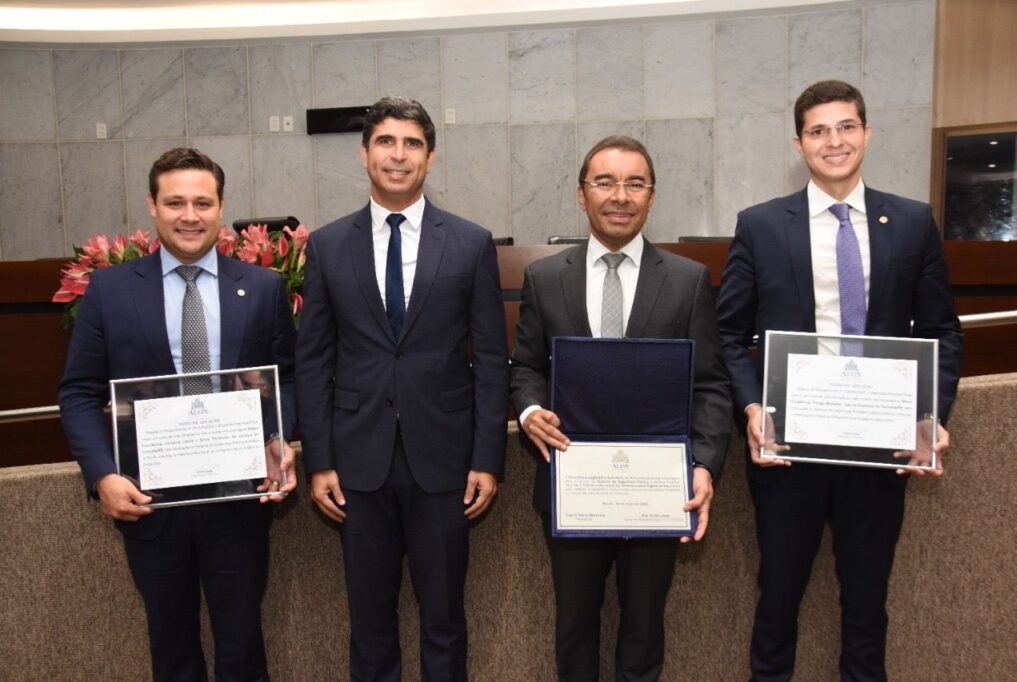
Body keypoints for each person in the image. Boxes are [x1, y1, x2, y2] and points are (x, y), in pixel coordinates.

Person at [716, 80, 964, 681]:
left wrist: (929, 415)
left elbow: (941, 331)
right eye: (819, 130)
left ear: (867, 133)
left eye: (846, 126)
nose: (834, 141)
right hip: (788, 449)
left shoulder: (911, 222)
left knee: (867, 605)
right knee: (777, 600)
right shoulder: (761, 226)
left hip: (881, 446)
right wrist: (751, 409)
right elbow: (727, 335)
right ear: (799, 144)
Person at [58, 147, 297, 681]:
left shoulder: (262, 288)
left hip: (237, 498)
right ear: (152, 205)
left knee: (243, 648)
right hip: (151, 503)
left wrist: (276, 437)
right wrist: (102, 476)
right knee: (171, 651)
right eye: (175, 203)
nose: (190, 216)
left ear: (221, 207)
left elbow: (288, 376)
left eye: (202, 203)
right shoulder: (111, 291)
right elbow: (77, 392)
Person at [294, 96, 509, 681]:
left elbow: (492, 360)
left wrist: (487, 458)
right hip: (356, 464)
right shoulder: (328, 245)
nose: (398, 154)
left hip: (445, 461)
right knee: (369, 621)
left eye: (412, 143)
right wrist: (320, 460)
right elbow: (313, 360)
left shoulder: (469, 242)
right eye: (386, 141)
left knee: (444, 618)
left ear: (430, 158)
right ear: (364, 154)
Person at [510, 136, 732, 681]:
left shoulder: (687, 281)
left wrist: (704, 465)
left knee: (643, 630)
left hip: (657, 490)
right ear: (581, 194)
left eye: (635, 183)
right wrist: (530, 411)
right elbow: (525, 368)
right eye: (605, 182)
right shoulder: (545, 278)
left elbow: (710, 385)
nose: (620, 195)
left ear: (651, 196)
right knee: (574, 627)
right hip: (574, 483)